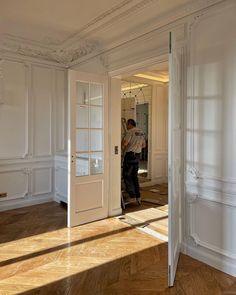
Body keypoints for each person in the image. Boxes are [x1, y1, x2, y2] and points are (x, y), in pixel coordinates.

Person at [122, 118, 146, 203]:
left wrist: (121, 149)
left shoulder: (130, 131)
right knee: (134, 176)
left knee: (127, 175)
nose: (126, 126)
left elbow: (125, 143)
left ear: (130, 124)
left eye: (127, 125)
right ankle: (138, 196)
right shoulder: (141, 132)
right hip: (137, 156)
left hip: (130, 155)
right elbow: (143, 145)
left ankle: (132, 196)